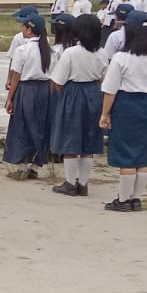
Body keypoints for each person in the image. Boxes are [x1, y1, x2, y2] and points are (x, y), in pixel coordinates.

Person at [100, 13, 147, 211]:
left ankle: (123, 200)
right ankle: (136, 198)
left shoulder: (122, 58)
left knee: (126, 153)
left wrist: (105, 114)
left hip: (127, 104)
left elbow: (110, 90)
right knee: (144, 154)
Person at [49, 13, 107, 196]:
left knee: (70, 138)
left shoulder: (71, 52)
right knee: (88, 139)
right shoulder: (102, 52)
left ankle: (69, 182)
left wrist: (64, 96)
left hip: (73, 92)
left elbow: (58, 81)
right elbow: (104, 78)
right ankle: (83, 183)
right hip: (94, 92)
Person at [3, 13, 53, 178]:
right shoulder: (49, 50)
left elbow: (16, 76)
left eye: (23, 26)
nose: (22, 29)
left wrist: (10, 98)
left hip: (27, 89)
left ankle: (21, 164)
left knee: (22, 126)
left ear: (29, 29)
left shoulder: (23, 50)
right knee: (40, 126)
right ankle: (36, 165)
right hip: (45, 89)